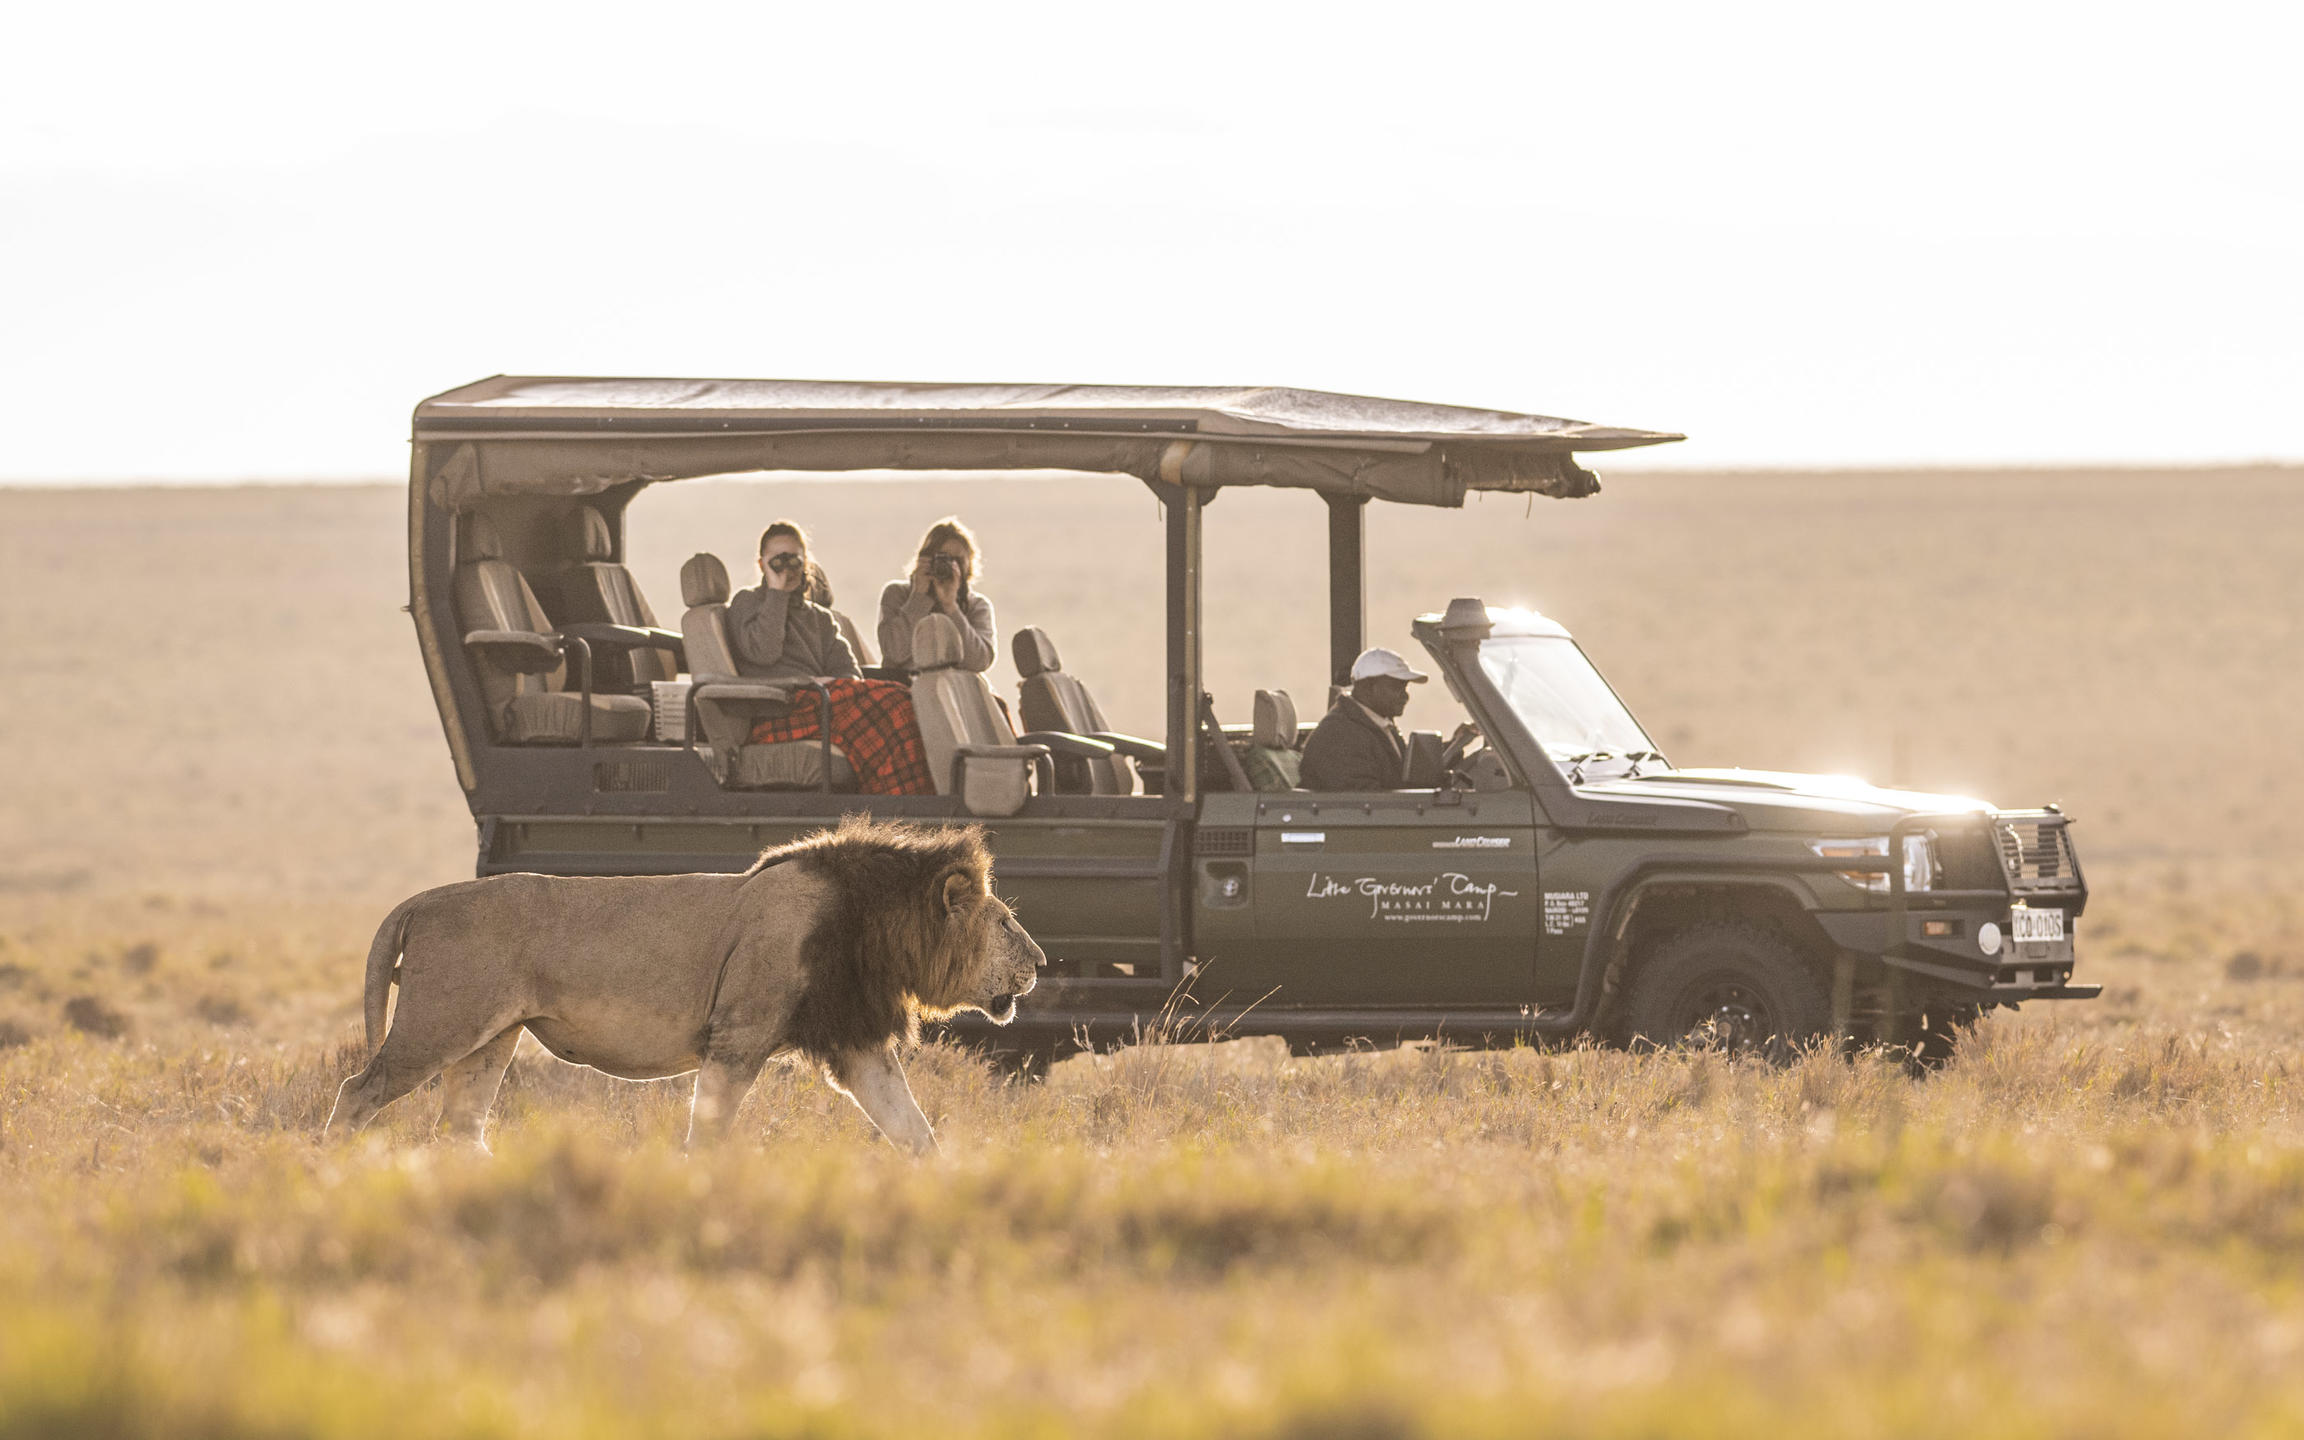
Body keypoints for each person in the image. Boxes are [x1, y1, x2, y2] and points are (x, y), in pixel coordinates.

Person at [730, 521, 933, 795]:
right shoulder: (746, 603)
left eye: (793, 559)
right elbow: (763, 652)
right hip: (779, 705)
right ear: (761, 565)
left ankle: (906, 797)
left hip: (823, 700)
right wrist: (776, 594)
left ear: (805, 563)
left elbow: (849, 672)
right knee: (894, 702)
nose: (786, 567)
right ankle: (902, 799)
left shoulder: (820, 618)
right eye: (777, 560)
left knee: (904, 700)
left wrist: (830, 683)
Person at [1299, 648, 1478, 791]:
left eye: (1405, 688)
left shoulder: (1374, 725)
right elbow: (1368, 804)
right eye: (1396, 688)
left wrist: (1455, 745)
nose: (1405, 696)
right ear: (1368, 687)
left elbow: (1405, 771)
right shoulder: (1338, 735)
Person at [877, 517, 996, 673]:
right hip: (905, 689)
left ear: (969, 565)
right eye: (942, 558)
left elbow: (979, 662)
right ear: (925, 560)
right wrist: (919, 598)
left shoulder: (976, 605)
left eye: (957, 561)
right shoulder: (898, 594)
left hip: (956, 692)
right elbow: (894, 653)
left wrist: (951, 607)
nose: (950, 567)